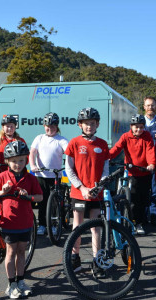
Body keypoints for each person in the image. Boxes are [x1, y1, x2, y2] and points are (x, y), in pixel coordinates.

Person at [0, 141, 42, 299]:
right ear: (7, 161)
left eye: (21, 160)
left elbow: (40, 197)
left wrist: (28, 196)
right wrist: (2, 191)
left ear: (26, 159)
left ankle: (21, 281)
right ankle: (11, 284)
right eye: (14, 161)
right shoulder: (2, 176)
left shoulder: (31, 179)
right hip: (9, 222)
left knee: (22, 252)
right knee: (11, 252)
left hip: (26, 222)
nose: (18, 164)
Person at [65, 107, 110, 278]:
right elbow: (69, 170)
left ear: (97, 124)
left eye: (92, 123)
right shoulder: (74, 143)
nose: (89, 126)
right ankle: (75, 257)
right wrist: (82, 188)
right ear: (80, 125)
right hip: (79, 192)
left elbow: (106, 169)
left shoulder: (102, 144)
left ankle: (96, 260)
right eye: (86, 123)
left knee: (96, 228)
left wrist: (99, 186)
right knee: (77, 226)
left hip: (96, 192)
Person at [109, 114, 155, 235]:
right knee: (133, 199)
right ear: (131, 127)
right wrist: (107, 157)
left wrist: (151, 164)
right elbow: (117, 148)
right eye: (136, 127)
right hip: (131, 172)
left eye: (141, 127)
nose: (138, 129)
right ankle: (134, 222)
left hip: (144, 172)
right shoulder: (126, 136)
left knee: (143, 200)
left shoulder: (147, 136)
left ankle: (140, 222)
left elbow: (150, 151)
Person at [29, 112, 69, 236]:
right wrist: (33, 165)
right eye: (47, 126)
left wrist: (68, 166)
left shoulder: (61, 140)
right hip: (41, 176)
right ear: (44, 126)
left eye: (52, 127)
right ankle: (42, 224)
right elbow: (33, 152)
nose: (50, 129)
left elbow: (69, 153)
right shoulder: (39, 138)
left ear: (57, 127)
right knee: (42, 202)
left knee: (54, 203)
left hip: (55, 176)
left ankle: (54, 225)